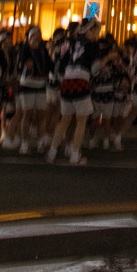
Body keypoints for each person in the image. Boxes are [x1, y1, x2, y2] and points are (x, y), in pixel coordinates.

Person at [46, 17, 102, 165]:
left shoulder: (70, 43)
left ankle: (52, 152)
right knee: (81, 121)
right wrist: (107, 59)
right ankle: (75, 154)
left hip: (66, 82)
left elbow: (61, 63)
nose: (97, 34)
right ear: (90, 30)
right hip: (81, 82)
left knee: (64, 120)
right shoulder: (93, 45)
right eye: (96, 31)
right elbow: (95, 69)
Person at [15, 26, 51, 153]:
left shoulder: (43, 50)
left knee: (41, 114)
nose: (38, 37)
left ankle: (40, 141)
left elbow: (48, 64)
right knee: (27, 114)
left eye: (39, 34)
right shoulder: (24, 50)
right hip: (27, 84)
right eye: (36, 34)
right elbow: (20, 66)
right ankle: (24, 142)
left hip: (41, 84)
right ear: (30, 36)